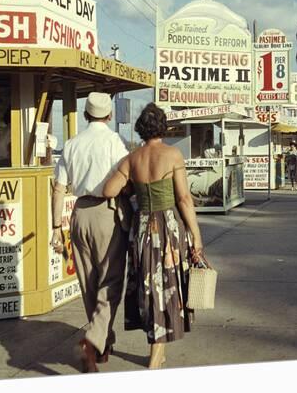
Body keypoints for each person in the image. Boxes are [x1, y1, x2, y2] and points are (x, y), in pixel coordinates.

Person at [103, 103, 208, 370]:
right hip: (168, 226)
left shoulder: (131, 158)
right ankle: (155, 357)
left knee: (148, 286)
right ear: (163, 126)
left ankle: (157, 351)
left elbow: (109, 190)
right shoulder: (173, 155)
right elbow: (184, 198)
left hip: (142, 228)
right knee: (166, 288)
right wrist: (196, 235)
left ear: (140, 128)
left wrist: (130, 188)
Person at [50, 92, 129, 373]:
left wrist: (56, 226)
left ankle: (102, 344)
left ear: (86, 114)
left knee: (88, 282)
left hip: (79, 214)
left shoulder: (71, 145)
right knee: (112, 280)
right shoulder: (113, 142)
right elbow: (126, 177)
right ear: (108, 115)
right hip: (106, 213)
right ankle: (93, 340)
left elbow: (58, 189)